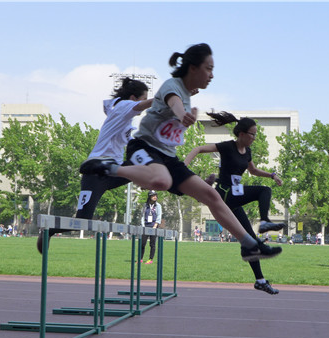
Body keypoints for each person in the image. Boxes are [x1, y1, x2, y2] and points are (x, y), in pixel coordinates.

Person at [82, 43, 281, 263]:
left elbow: (178, 103)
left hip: (168, 157)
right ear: (193, 68)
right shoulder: (172, 86)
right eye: (208, 69)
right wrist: (182, 115)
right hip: (144, 147)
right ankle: (108, 168)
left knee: (211, 195)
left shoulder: (185, 94)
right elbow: (173, 101)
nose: (212, 75)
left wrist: (194, 178)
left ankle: (250, 245)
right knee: (161, 181)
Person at [37, 77, 153, 253]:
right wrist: (170, 95)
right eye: (143, 99)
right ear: (133, 98)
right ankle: (49, 230)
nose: (143, 106)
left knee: (142, 155)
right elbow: (144, 105)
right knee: (82, 221)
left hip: (113, 172)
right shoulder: (124, 106)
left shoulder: (124, 121)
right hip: (96, 171)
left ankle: (144, 178)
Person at [184, 111, 285, 294]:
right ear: (242, 134)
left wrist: (272, 175)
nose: (254, 138)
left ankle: (260, 281)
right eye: (252, 134)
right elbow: (198, 149)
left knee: (250, 241)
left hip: (234, 199)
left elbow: (253, 171)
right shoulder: (227, 146)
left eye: (256, 135)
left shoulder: (248, 152)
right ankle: (264, 223)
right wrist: (183, 167)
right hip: (224, 193)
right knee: (264, 191)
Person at [140, 190, 162, 264]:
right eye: (153, 196)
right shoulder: (145, 205)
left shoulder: (158, 206)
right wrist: (143, 225)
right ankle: (140, 258)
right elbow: (142, 216)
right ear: (149, 197)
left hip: (154, 226)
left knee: (152, 244)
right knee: (142, 243)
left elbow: (159, 216)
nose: (155, 197)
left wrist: (155, 225)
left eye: (156, 195)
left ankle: (150, 259)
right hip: (145, 226)